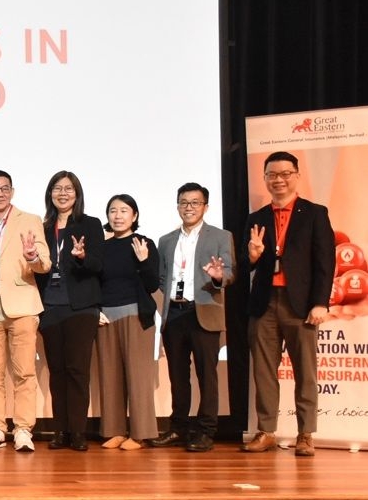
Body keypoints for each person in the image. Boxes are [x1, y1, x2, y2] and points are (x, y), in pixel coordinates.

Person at [243, 152, 334, 457]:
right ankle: (266, 431)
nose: (278, 180)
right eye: (272, 175)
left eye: (284, 174)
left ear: (296, 175)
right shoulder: (257, 217)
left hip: (301, 304)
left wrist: (320, 302)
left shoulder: (315, 213)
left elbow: (325, 262)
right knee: (264, 372)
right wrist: (253, 256)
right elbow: (246, 262)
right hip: (264, 302)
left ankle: (305, 434)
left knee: (305, 372)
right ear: (265, 178)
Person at [147, 183, 233, 453]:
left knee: (207, 375)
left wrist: (218, 276)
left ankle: (206, 431)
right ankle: (179, 428)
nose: (189, 207)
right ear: (177, 206)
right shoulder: (166, 240)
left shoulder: (220, 236)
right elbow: (162, 277)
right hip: (175, 313)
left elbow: (229, 272)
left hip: (204, 311)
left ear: (206, 206)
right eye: (184, 202)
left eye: (195, 202)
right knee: (177, 375)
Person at [0, 170, 50, 452]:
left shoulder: (29, 220)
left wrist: (33, 257)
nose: (0, 193)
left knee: (24, 372)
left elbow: (45, 263)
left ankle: (23, 429)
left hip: (22, 305)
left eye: (5, 188)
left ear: (12, 192)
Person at [35, 171, 103, 452]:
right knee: (57, 371)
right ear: (50, 193)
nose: (62, 193)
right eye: (57, 188)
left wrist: (83, 257)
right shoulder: (43, 227)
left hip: (81, 307)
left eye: (68, 188)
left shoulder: (91, 224)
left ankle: (77, 431)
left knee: (77, 370)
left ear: (77, 193)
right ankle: (60, 431)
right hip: (50, 307)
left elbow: (99, 265)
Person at [96, 194, 161, 451]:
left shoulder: (145, 243)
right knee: (109, 376)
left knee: (138, 377)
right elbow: (94, 284)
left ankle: (140, 433)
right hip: (106, 318)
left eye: (124, 210)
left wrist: (144, 261)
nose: (118, 215)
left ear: (134, 216)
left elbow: (152, 284)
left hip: (135, 315)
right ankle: (114, 431)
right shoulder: (102, 247)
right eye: (113, 210)